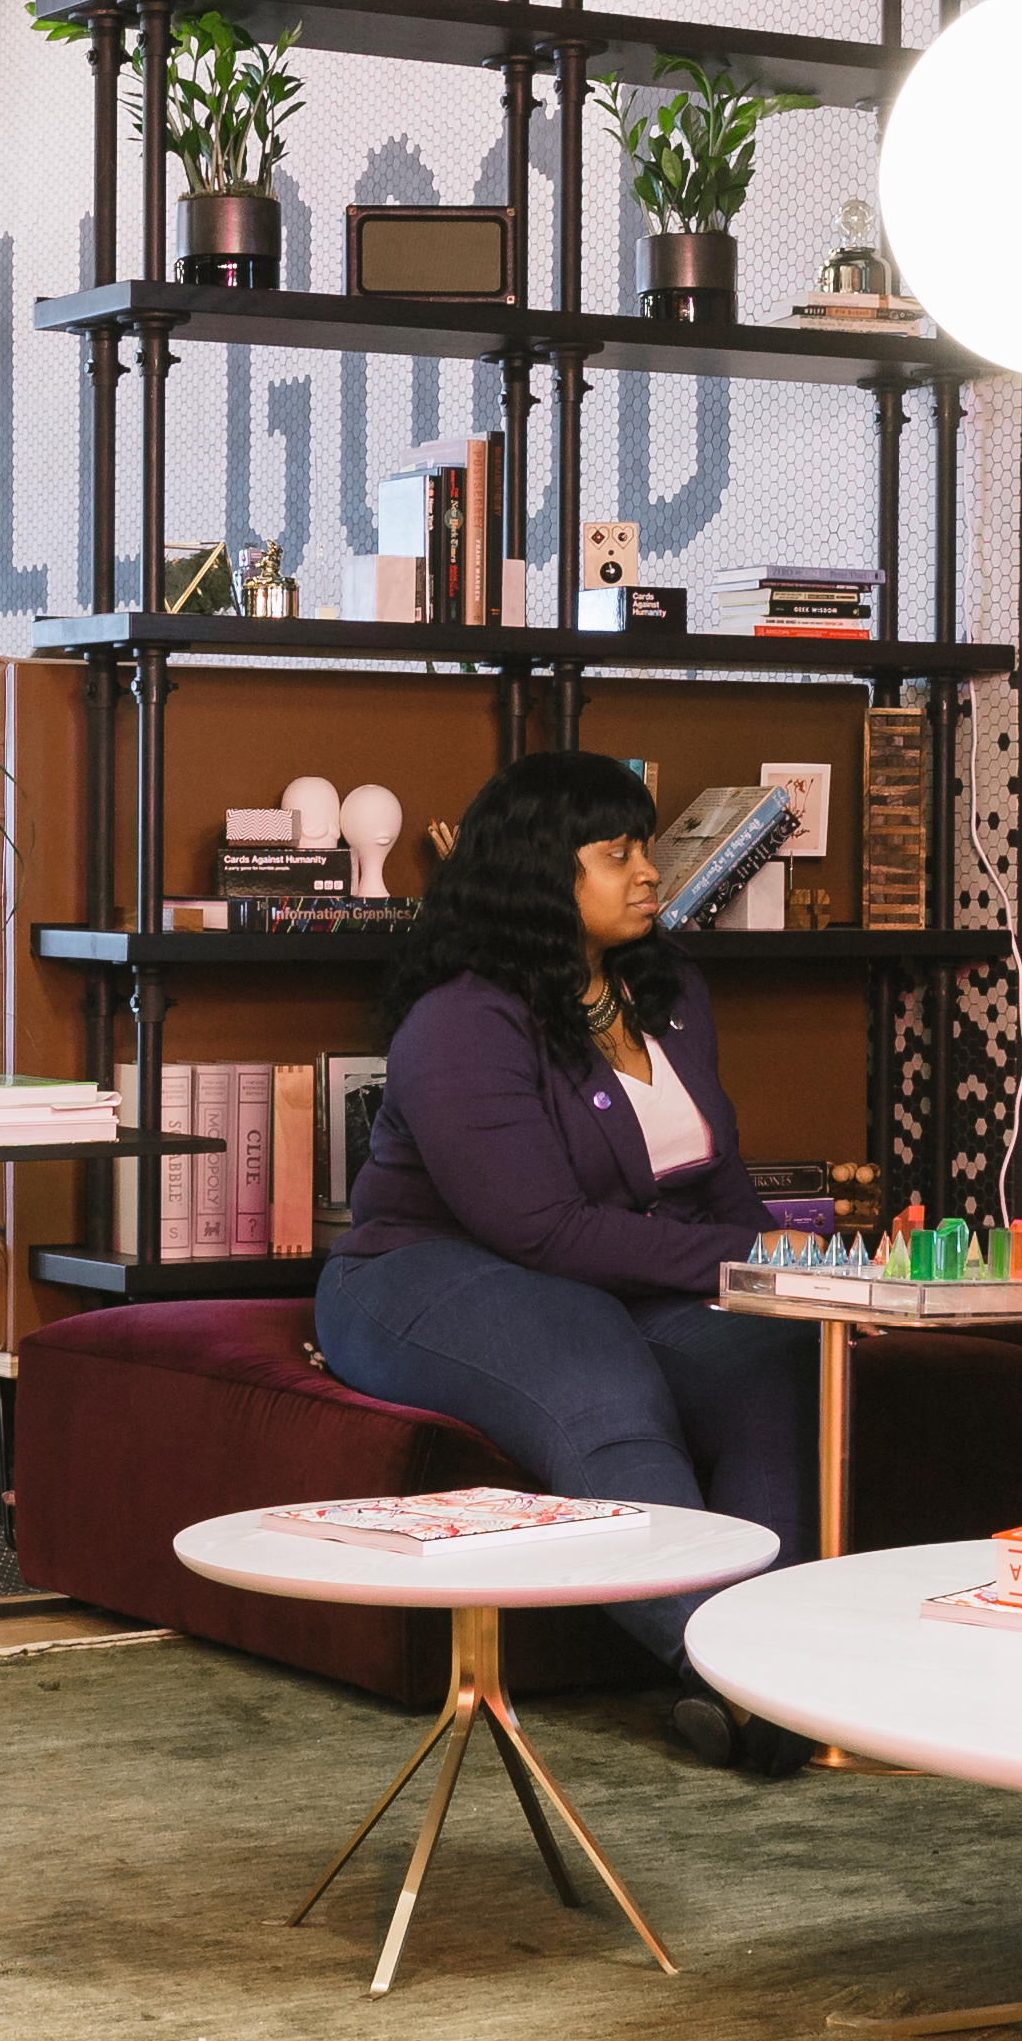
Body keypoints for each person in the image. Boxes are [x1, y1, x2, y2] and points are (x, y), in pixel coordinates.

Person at [311, 749, 818, 1775]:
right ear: (545, 873)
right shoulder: (460, 1021)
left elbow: (714, 1179)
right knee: (594, 1361)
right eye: (618, 852)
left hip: (620, 1272)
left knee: (774, 1359)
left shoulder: (667, 993)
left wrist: (782, 1268)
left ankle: (781, 1659)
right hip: (429, 1276)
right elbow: (539, 1228)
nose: (649, 872)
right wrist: (742, 1254)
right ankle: (729, 1671)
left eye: (648, 850)